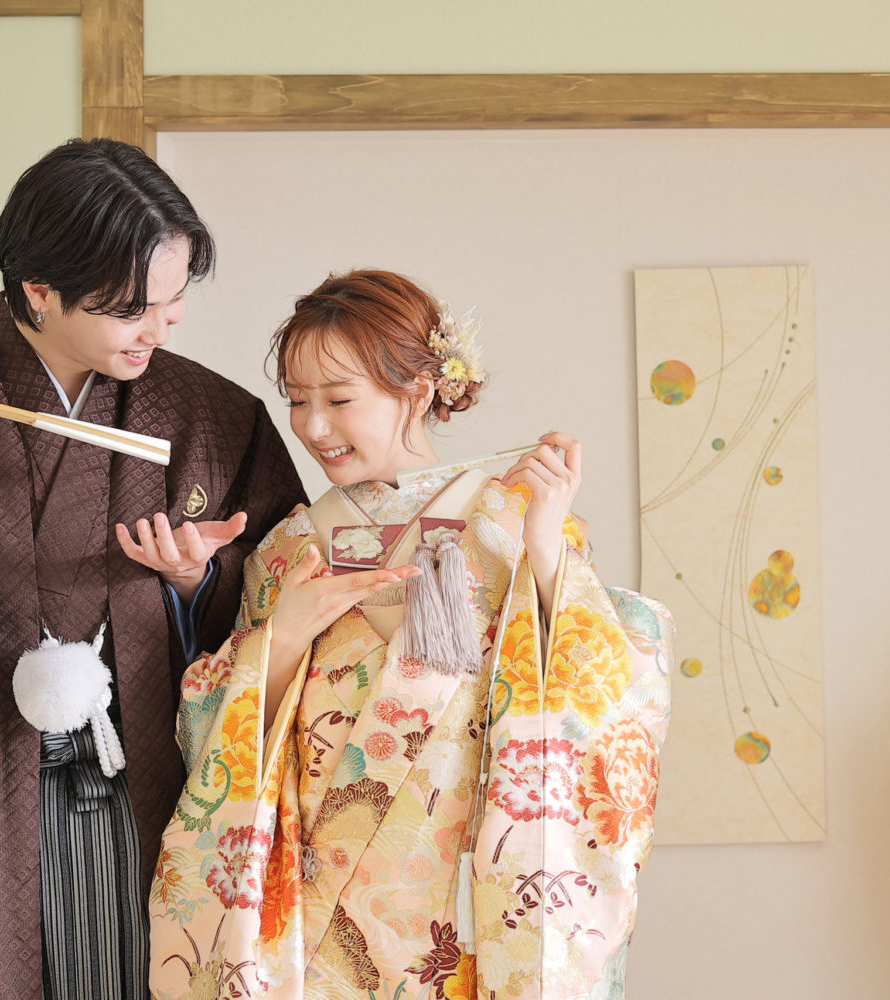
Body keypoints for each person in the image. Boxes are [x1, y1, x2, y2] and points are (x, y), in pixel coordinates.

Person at [0, 138, 304, 1000]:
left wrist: (198, 584)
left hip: (163, 790)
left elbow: (284, 586)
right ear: (38, 290)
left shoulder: (211, 415)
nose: (160, 329)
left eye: (175, 302)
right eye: (132, 310)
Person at [148, 269, 673, 999]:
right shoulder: (289, 547)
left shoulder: (511, 521)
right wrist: (282, 641)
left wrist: (546, 548)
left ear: (419, 392)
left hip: (463, 895)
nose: (312, 427)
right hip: (318, 919)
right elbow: (217, 739)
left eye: (339, 400)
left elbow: (606, 694)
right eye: (297, 401)